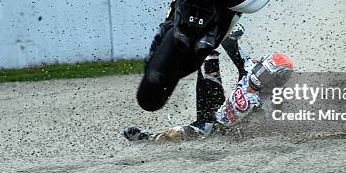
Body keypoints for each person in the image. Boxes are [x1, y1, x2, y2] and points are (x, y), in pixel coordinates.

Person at [124, 25, 295, 143]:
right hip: (215, 107)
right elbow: (229, 44)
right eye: (261, 70)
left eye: (267, 75)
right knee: (208, 55)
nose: (260, 76)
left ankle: (147, 137)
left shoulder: (270, 101)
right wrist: (233, 34)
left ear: (277, 81)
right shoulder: (250, 65)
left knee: (175, 135)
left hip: (217, 130)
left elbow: (269, 126)